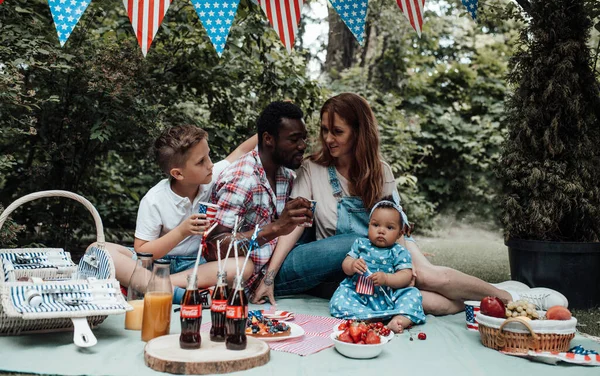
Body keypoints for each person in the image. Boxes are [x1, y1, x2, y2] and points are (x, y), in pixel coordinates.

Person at [251, 92, 569, 314]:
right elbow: (294, 226)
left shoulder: (380, 172)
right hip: (350, 267)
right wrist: (269, 277)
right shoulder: (313, 169)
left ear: (359, 133)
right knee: (427, 294)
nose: (328, 139)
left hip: (390, 257)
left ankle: (504, 298)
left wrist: (410, 261)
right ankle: (497, 295)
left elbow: (397, 227)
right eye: (324, 130)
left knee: (431, 285)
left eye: (337, 131)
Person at [102, 125, 256, 303]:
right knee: (101, 250)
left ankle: (154, 287)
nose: (210, 164)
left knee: (243, 266)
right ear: (178, 173)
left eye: (208, 155)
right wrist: (181, 232)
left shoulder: (211, 176)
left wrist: (273, 123)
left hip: (194, 265)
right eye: (201, 161)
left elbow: (242, 150)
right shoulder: (154, 199)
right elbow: (142, 250)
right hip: (157, 264)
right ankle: (176, 293)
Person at [207, 101, 313, 295]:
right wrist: (275, 228)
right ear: (268, 139)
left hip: (276, 268)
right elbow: (215, 248)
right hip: (249, 281)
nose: (302, 146)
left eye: (304, 139)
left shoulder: (287, 175)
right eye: (294, 139)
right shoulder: (242, 179)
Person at [330, 200, 426, 333]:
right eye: (375, 225)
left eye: (389, 227)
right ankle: (363, 317)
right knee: (340, 298)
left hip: (389, 295)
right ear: (368, 226)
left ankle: (399, 319)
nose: (381, 231)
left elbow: (406, 276)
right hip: (360, 294)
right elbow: (346, 264)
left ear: (399, 234)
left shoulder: (399, 251)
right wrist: (352, 265)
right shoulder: (361, 244)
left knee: (413, 295)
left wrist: (387, 278)